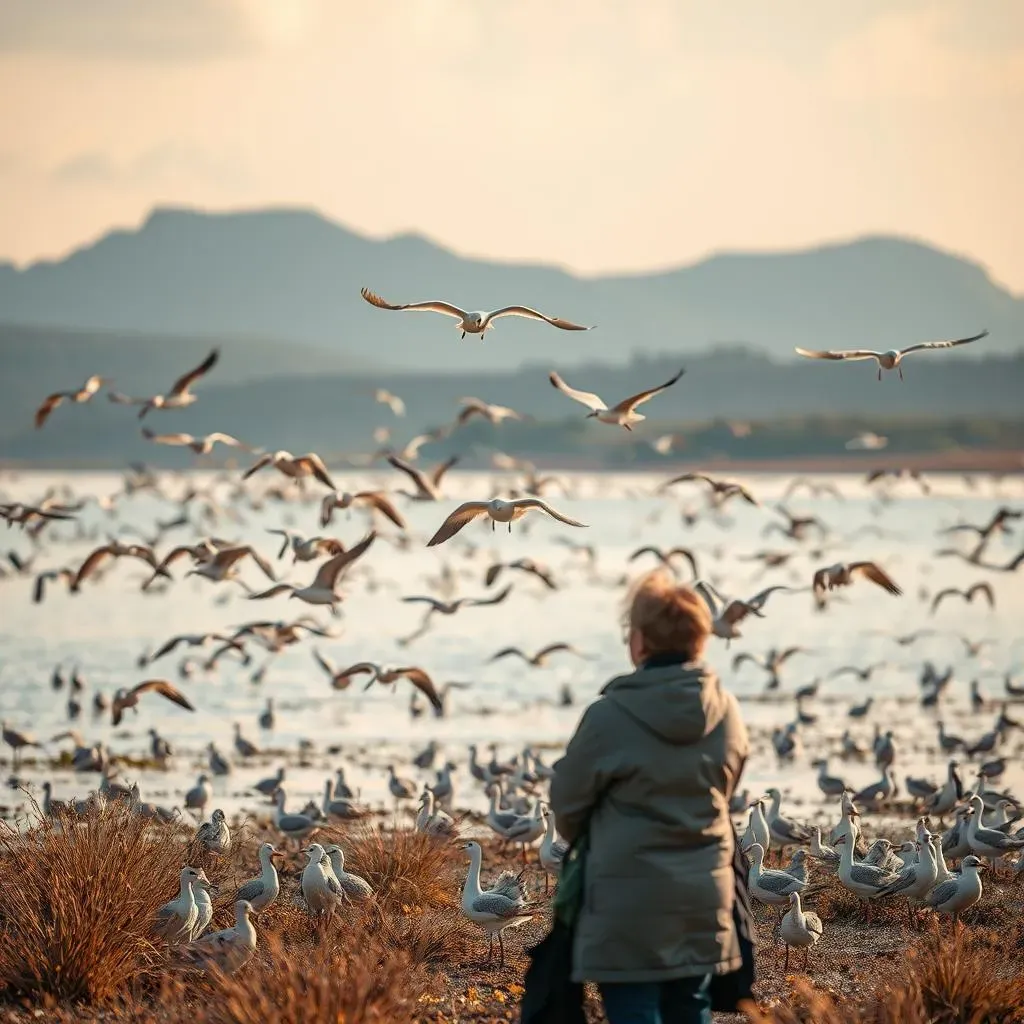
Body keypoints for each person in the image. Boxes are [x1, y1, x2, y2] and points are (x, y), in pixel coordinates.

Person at [549, 569, 750, 1024]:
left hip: (626, 902)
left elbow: (567, 808)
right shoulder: (728, 712)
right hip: (703, 896)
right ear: (701, 641)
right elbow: (726, 788)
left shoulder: (607, 715)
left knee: (635, 1007)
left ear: (638, 642)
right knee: (691, 1005)